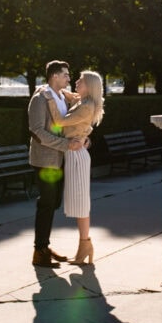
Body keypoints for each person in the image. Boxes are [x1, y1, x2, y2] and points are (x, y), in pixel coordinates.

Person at [28, 60, 85, 268]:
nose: (69, 78)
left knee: (54, 202)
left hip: (60, 158)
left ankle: (43, 246)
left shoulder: (62, 97)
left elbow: (69, 125)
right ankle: (39, 250)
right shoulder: (40, 98)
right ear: (54, 76)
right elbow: (36, 130)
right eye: (65, 75)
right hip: (45, 159)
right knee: (47, 202)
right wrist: (65, 144)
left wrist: (81, 138)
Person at [48, 69, 105, 265]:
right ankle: (84, 246)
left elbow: (60, 122)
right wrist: (64, 93)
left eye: (80, 81)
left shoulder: (87, 106)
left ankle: (85, 245)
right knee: (78, 203)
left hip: (77, 156)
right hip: (73, 153)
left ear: (89, 86)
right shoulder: (82, 102)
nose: (76, 83)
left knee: (81, 203)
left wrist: (49, 99)